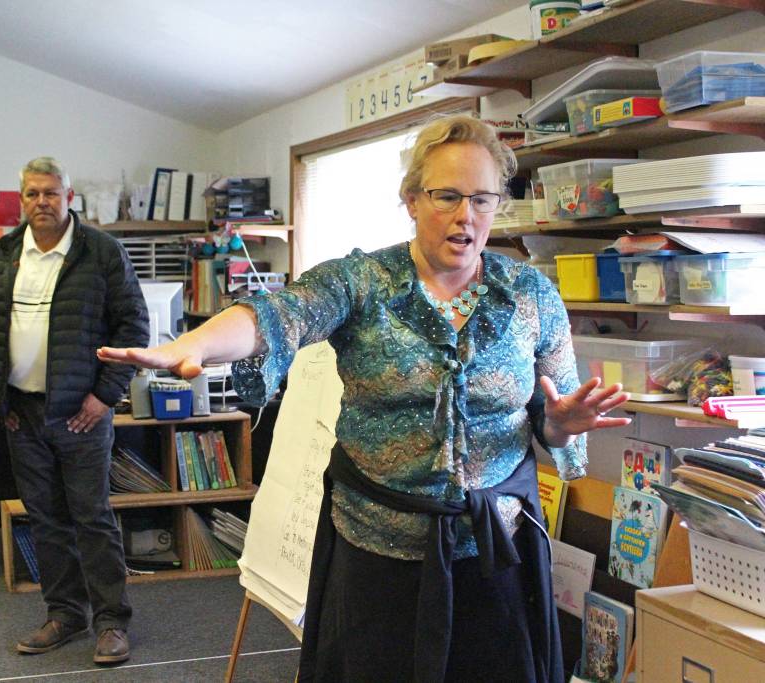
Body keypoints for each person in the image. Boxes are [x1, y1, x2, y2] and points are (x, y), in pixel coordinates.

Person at [99, 115, 632, 682]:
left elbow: (553, 412)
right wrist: (197, 343)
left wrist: (560, 426)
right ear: (412, 199)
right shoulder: (363, 281)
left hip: (495, 554)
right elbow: (279, 314)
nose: (466, 215)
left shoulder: (530, 295)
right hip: (381, 556)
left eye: (482, 199)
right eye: (447, 196)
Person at [0, 157, 148, 665]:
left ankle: (111, 622)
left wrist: (104, 397)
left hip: (80, 413)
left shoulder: (101, 251)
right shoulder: (5, 252)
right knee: (46, 520)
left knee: (92, 517)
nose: (42, 202)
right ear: (21, 199)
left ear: (69, 197)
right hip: (21, 413)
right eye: (32, 193)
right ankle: (65, 615)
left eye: (51, 193)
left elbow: (133, 327)